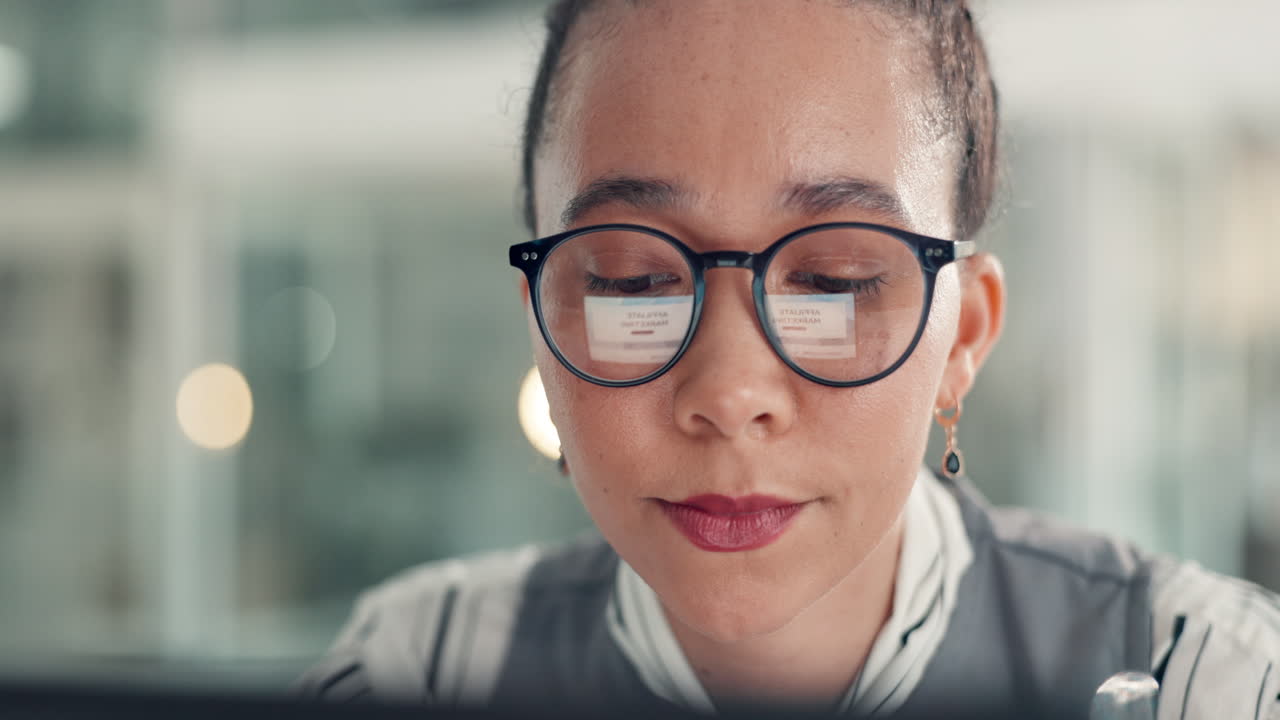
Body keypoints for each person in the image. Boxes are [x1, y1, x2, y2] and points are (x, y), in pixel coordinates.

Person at [297, 1, 1280, 717]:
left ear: (963, 337)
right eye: (634, 283)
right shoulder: (417, 670)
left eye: (838, 280)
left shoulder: (1203, 683)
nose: (728, 393)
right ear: (543, 329)